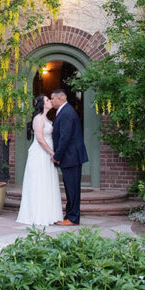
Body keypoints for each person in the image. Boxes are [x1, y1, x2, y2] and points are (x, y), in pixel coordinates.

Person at [15, 95, 64, 226]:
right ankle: (37, 214)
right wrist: (53, 153)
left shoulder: (47, 119)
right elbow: (40, 139)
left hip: (47, 154)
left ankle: (49, 214)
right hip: (40, 154)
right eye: (48, 100)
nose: (50, 101)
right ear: (42, 104)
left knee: (47, 181)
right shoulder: (38, 119)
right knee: (39, 182)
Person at [50, 88, 88, 225]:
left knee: (72, 188)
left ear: (60, 98)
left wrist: (57, 155)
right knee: (70, 188)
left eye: (52, 98)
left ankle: (72, 218)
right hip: (71, 157)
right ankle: (70, 215)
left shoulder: (66, 113)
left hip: (71, 157)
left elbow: (64, 138)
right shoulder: (65, 111)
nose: (51, 101)